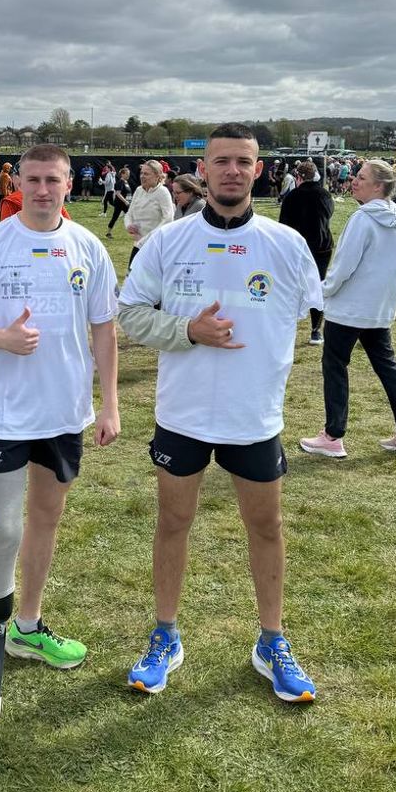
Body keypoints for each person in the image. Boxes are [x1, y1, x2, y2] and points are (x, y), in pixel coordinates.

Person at [118, 124, 322, 704]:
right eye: (221, 162)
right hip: (182, 415)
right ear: (202, 170)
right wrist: (187, 330)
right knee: (173, 523)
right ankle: (165, 635)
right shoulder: (168, 241)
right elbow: (129, 313)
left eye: (243, 162)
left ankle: (272, 641)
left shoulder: (286, 243)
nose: (232, 171)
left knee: (265, 526)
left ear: (259, 171)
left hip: (253, 417)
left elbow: (314, 315)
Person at [0, 144, 119, 723]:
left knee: (46, 520)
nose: (44, 189)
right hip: (6, 413)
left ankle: (28, 624)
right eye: (34, 179)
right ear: (16, 182)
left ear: (70, 184)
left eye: (53, 179)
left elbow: (104, 328)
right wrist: (0, 339)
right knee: (2, 524)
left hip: (64, 413)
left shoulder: (88, 247)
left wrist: (109, 404)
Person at [300, 159, 396, 459]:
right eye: (356, 176)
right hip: (378, 308)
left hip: (349, 308)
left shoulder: (363, 218)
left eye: (361, 177)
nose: (355, 181)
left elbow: (343, 266)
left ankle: (333, 435)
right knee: (387, 366)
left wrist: (321, 292)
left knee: (334, 366)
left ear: (379, 186)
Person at [277, 159, 335, 345]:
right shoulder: (325, 194)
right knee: (317, 286)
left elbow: (283, 226)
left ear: (298, 176)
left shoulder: (292, 197)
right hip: (322, 246)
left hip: (298, 247)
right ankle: (316, 330)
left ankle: (287, 327)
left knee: (291, 287)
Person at [124, 160, 174, 266]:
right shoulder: (138, 190)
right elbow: (129, 213)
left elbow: (168, 219)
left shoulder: (163, 192)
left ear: (157, 176)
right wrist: (128, 225)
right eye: (141, 173)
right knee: (131, 277)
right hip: (138, 245)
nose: (142, 176)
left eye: (146, 174)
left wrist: (145, 240)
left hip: (156, 247)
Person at [105, 166, 132, 237]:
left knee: (132, 216)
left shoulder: (126, 182)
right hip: (120, 204)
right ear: (122, 174)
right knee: (115, 217)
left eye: (129, 173)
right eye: (127, 173)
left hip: (126, 203)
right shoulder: (120, 182)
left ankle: (135, 231)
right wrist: (125, 201)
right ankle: (108, 232)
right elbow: (118, 193)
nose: (128, 175)